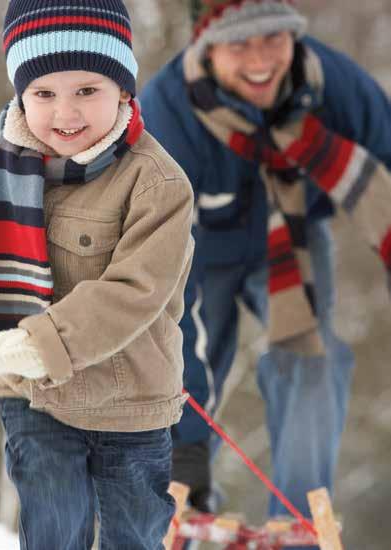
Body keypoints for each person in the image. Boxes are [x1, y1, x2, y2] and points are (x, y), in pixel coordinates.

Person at [140, 0, 391, 534]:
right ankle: (177, 497)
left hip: (291, 238)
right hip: (193, 252)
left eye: (273, 38)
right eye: (239, 43)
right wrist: (185, 444)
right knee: (191, 361)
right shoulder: (167, 115)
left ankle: (298, 517)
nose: (260, 58)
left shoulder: (333, 87)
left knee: (314, 363)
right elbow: (160, 292)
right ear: (206, 46)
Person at [0, 1, 195, 548]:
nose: (65, 112)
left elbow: (135, 292)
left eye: (87, 90)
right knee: (55, 522)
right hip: (31, 392)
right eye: (43, 93)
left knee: (133, 534)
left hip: (129, 398)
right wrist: (22, 353)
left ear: (123, 89)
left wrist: (43, 343)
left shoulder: (158, 184)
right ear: (21, 94)